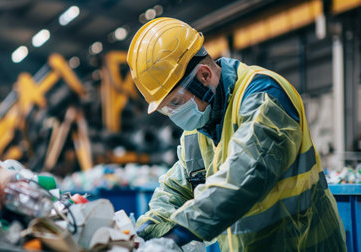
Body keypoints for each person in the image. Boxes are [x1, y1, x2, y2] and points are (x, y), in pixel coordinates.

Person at [126, 17, 346, 251]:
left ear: (204, 76)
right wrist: (144, 233)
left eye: (176, 102)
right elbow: (177, 190)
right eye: (166, 109)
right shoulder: (198, 130)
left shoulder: (265, 96)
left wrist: (179, 234)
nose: (173, 114)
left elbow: (246, 174)